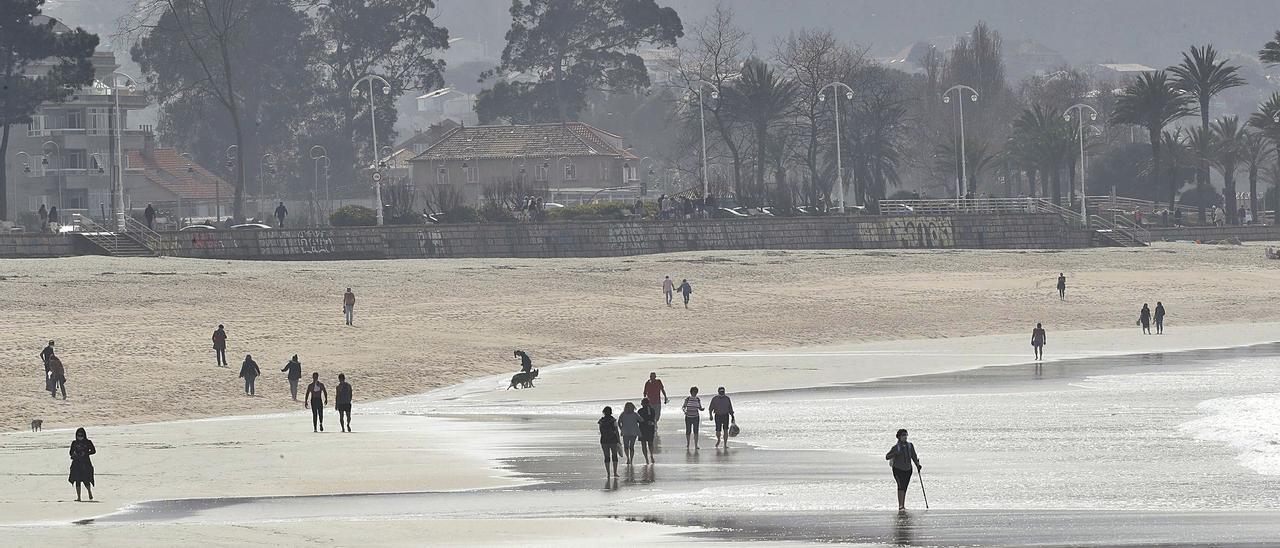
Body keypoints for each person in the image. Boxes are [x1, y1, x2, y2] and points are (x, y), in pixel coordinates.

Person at [885, 429, 922, 511]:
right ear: (899, 437)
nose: (905, 437)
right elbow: (887, 457)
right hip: (898, 469)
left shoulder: (910, 445)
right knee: (900, 486)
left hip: (908, 469)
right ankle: (900, 505)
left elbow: (914, 456)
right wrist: (895, 453)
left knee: (905, 487)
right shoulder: (896, 447)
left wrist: (917, 465)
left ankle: (903, 505)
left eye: (906, 435)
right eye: (903, 435)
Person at [69, 428, 96, 502]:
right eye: (78, 435)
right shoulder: (74, 443)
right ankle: (78, 497)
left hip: (85, 463)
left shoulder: (88, 442)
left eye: (81, 435)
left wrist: (86, 453)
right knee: (77, 480)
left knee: (86, 479)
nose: (79, 437)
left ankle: (89, 492)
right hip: (76, 463)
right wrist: (74, 454)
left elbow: (93, 451)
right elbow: (70, 452)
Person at [598, 406, 621, 477]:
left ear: (604, 412)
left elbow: (601, 431)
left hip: (604, 440)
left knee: (606, 457)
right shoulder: (613, 420)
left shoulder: (601, 421)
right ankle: (615, 472)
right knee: (614, 456)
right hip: (613, 440)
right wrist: (619, 441)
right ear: (611, 412)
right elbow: (616, 431)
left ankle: (608, 473)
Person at [638, 398, 657, 464]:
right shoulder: (652, 410)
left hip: (642, 429)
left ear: (643, 404)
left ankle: (646, 458)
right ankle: (651, 455)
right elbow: (653, 419)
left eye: (642, 403)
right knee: (650, 443)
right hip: (650, 428)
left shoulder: (640, 411)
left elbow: (638, 420)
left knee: (643, 444)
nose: (641, 404)